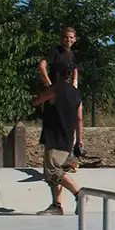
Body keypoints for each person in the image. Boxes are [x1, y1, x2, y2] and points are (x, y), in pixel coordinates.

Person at [31, 63, 83, 216]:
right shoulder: (76, 93)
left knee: (52, 171)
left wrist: (36, 97)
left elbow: (36, 101)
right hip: (68, 137)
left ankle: (79, 195)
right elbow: (79, 118)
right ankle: (56, 205)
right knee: (57, 173)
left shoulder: (55, 89)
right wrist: (79, 140)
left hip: (54, 136)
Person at [37, 25, 83, 171]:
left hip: (68, 93)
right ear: (61, 38)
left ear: (74, 39)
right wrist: (49, 84)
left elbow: (75, 68)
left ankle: (67, 159)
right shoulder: (55, 51)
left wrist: (75, 83)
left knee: (69, 125)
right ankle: (50, 163)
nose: (68, 40)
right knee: (53, 125)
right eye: (65, 37)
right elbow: (42, 65)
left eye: (71, 37)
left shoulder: (71, 54)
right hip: (56, 93)